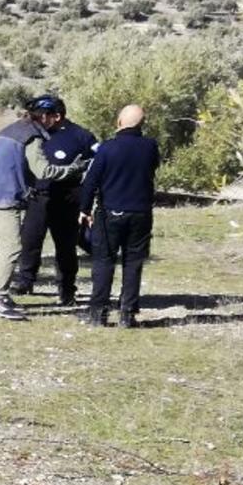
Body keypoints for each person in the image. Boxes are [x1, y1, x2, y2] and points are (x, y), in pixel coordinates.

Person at [0, 101, 90, 321]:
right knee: (12, 247)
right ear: (47, 117)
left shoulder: (8, 130)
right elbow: (43, 170)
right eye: (54, 118)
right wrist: (74, 169)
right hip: (6, 197)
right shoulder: (32, 136)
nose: (56, 124)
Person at [7, 94, 97, 304]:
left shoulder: (81, 136)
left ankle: (67, 290)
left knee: (66, 246)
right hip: (38, 197)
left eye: (41, 115)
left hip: (68, 199)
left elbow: (98, 162)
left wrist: (89, 199)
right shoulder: (35, 133)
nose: (37, 119)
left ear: (56, 116)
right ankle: (25, 281)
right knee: (30, 241)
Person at [77, 104, 161, 328]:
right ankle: (127, 314)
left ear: (119, 122)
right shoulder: (150, 147)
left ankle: (98, 313)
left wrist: (84, 209)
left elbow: (91, 181)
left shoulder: (107, 148)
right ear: (142, 124)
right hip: (141, 213)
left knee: (103, 261)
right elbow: (151, 170)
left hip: (111, 212)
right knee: (133, 263)